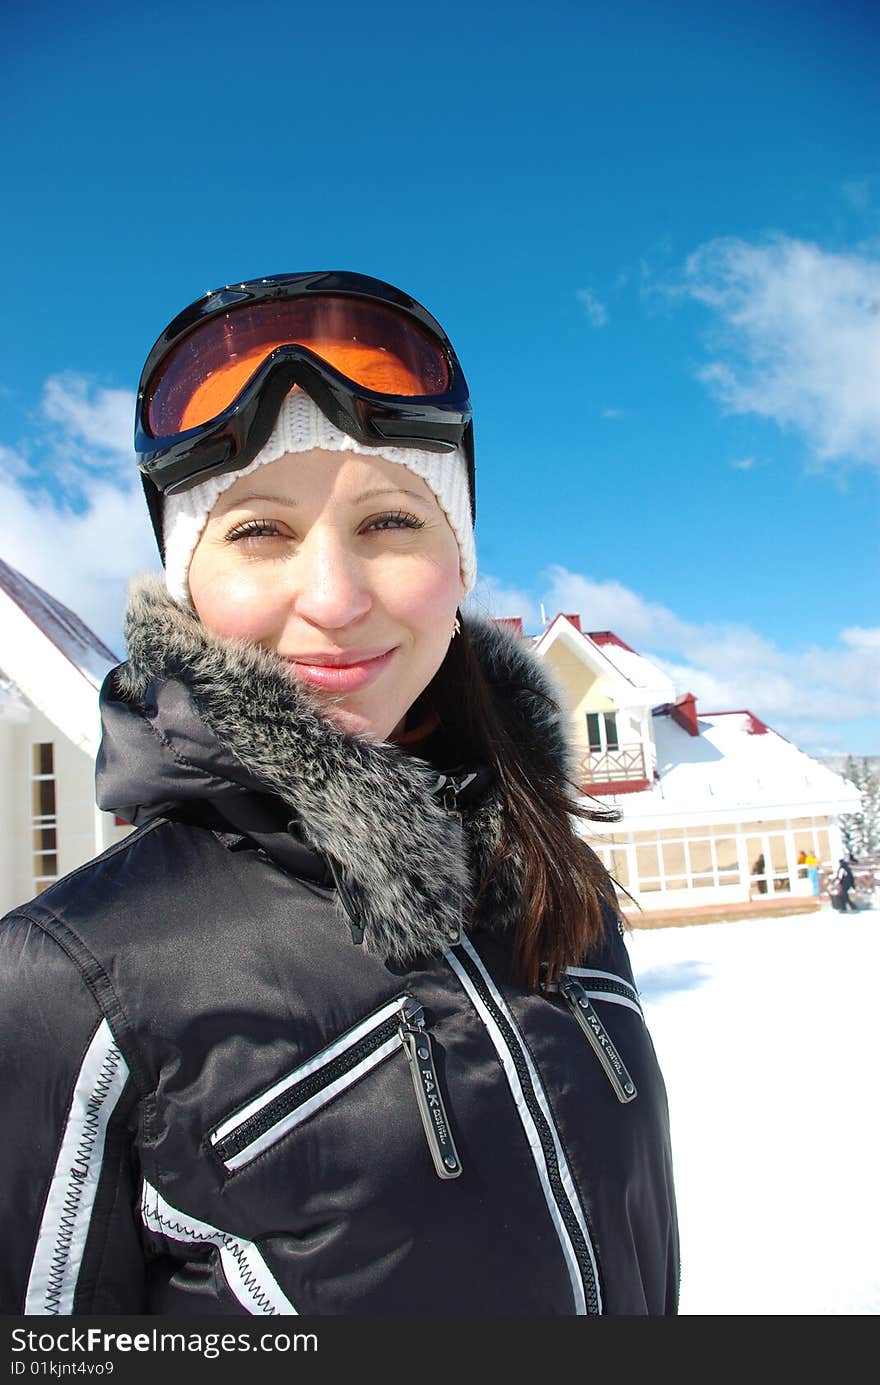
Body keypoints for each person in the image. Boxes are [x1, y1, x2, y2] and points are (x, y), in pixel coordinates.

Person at [0, 271, 679, 1316]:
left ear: (457, 566)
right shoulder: (68, 981)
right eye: (260, 531)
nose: (333, 598)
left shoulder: (553, 878)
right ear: (189, 587)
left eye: (388, 522)